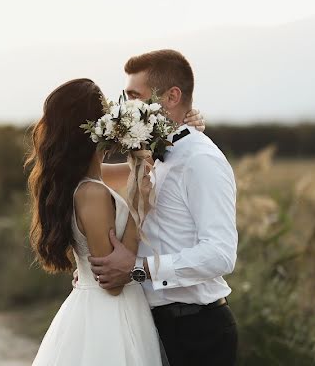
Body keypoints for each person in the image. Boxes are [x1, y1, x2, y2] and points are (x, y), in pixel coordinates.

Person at [27, 77, 206, 365]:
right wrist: (138, 211)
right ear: (94, 126)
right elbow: (112, 282)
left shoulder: (85, 178)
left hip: (101, 309)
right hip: (109, 315)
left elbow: (147, 166)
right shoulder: (92, 193)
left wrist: (187, 127)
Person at [88, 49, 239, 366]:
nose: (126, 108)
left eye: (135, 97)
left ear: (172, 96)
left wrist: (138, 270)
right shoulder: (154, 156)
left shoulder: (201, 160)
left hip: (195, 331)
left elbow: (220, 254)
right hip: (150, 324)